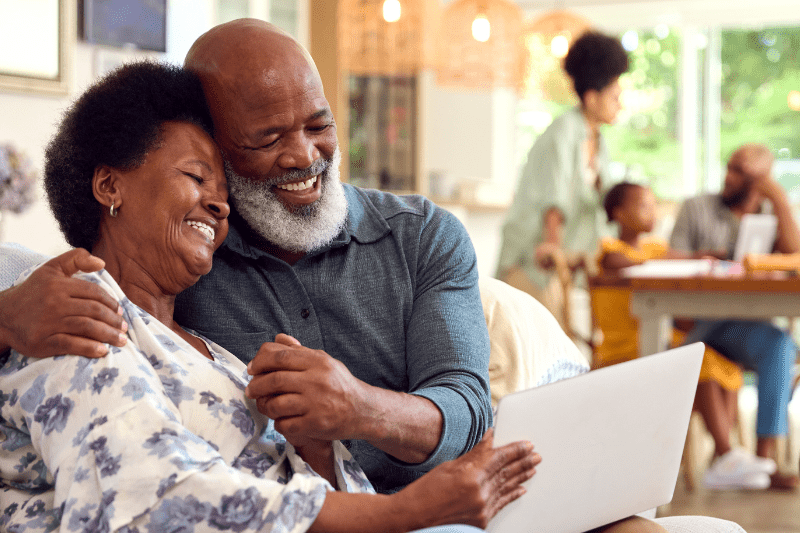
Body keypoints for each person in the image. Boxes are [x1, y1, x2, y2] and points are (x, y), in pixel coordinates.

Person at [0, 61, 540, 533]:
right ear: (110, 187)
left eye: (222, 188)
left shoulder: (210, 351)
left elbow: (455, 411)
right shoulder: (73, 309)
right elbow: (147, 496)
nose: (219, 205)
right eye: (197, 177)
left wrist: (319, 450)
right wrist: (405, 513)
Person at [596, 182, 776, 490]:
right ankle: (726, 453)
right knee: (699, 359)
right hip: (623, 348)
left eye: (653, 205)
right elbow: (617, 264)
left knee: (722, 361)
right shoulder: (609, 249)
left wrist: (697, 260)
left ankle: (723, 459)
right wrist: (684, 260)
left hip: (660, 341)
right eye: (642, 206)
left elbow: (673, 283)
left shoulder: (655, 248)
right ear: (618, 213)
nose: (651, 212)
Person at [671, 143, 800, 490]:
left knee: (781, 345)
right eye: (729, 167)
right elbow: (670, 260)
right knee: (776, 343)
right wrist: (700, 258)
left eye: (741, 171)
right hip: (697, 321)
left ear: (760, 179)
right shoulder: (696, 207)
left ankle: (763, 461)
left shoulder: (770, 217)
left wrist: (779, 198)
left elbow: (795, 254)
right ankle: (733, 458)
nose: (729, 176)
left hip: (744, 326)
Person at [496, 30, 629, 319]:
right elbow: (552, 202)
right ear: (592, 98)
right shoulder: (563, 132)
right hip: (534, 263)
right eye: (615, 96)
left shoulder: (599, 141)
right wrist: (552, 249)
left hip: (565, 269)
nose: (621, 103)